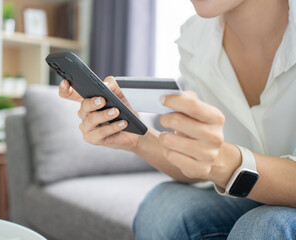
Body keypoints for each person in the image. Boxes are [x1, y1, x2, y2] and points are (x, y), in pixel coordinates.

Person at [59, 0, 296, 239]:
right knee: (162, 209)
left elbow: (221, 163)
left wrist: (226, 162)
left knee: (267, 226)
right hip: (250, 194)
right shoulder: (195, 37)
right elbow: (202, 166)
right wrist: (139, 139)